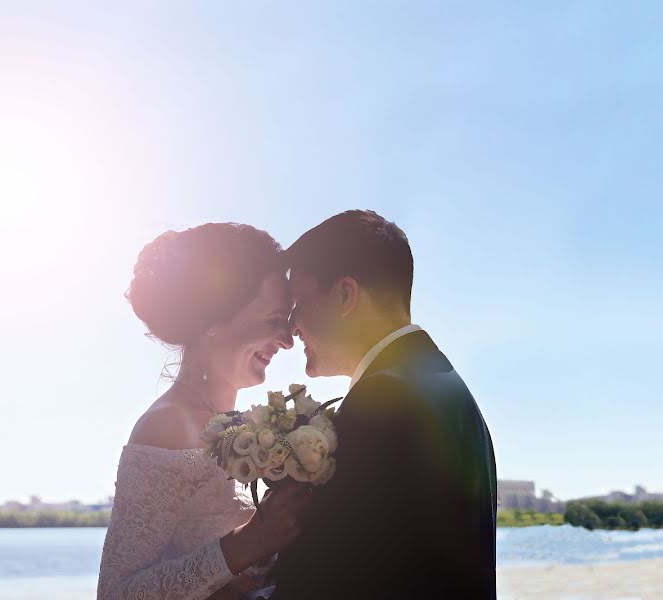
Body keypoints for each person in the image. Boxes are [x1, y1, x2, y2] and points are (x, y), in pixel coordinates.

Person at [269, 210, 498, 599]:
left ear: (345, 295)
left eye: (298, 305)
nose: (291, 327)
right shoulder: (442, 386)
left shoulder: (383, 400)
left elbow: (326, 578)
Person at [97, 223, 311, 600]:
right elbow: (116, 594)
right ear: (214, 319)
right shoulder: (167, 427)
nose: (287, 340)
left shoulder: (243, 425)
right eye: (275, 320)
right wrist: (246, 544)